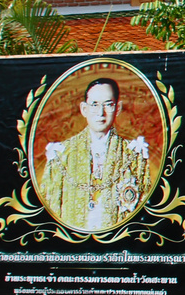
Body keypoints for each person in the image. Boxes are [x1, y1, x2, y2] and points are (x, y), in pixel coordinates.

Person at [40, 77, 153, 232]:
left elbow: (143, 214)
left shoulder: (134, 155)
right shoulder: (61, 154)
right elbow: (49, 212)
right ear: (84, 109)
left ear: (118, 108)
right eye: (94, 105)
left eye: (108, 105)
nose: (101, 113)